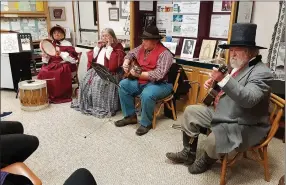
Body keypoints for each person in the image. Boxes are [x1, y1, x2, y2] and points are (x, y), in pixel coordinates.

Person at [165, 23, 273, 174]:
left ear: (250, 52)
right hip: (224, 112)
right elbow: (231, 83)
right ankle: (188, 153)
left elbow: (248, 99)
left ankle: (207, 160)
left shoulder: (262, 72)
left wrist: (223, 80)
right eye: (231, 50)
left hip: (244, 122)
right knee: (190, 111)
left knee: (213, 140)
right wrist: (215, 83)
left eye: (237, 50)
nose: (232, 54)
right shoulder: (237, 65)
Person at [114, 25, 174, 136]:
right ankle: (130, 116)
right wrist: (126, 62)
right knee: (123, 84)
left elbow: (159, 74)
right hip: (142, 81)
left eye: (146, 40)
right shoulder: (143, 47)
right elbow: (130, 53)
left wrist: (138, 74)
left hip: (161, 84)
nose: (143, 42)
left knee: (147, 94)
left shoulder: (165, 54)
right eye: (143, 39)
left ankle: (146, 123)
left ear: (155, 41)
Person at [71, 28, 125, 118]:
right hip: (98, 69)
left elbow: (114, 64)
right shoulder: (101, 46)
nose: (104, 37)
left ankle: (100, 105)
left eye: (107, 35)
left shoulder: (118, 46)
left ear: (112, 37)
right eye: (103, 35)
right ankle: (89, 103)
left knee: (98, 82)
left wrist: (109, 46)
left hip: (111, 73)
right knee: (85, 80)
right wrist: (97, 47)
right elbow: (94, 58)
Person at [38, 25, 79, 104]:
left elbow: (73, 60)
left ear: (63, 34)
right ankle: (46, 94)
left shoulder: (67, 44)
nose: (57, 34)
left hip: (63, 64)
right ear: (52, 35)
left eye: (59, 33)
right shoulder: (50, 44)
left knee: (56, 73)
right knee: (43, 71)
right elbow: (46, 60)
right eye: (55, 33)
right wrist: (45, 56)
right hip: (51, 64)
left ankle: (59, 95)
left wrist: (60, 53)